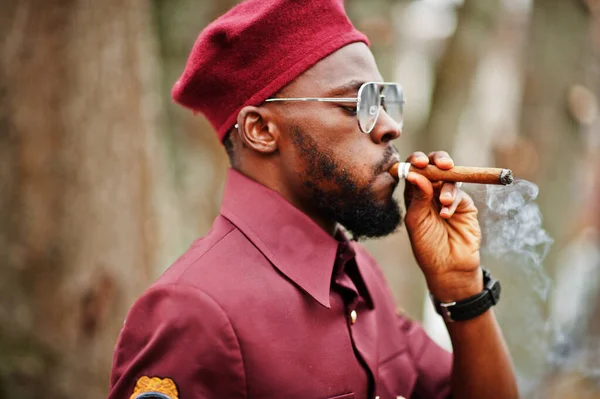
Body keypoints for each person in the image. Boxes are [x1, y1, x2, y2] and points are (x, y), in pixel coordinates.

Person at [108, 1, 518, 398]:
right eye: (359, 103)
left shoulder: (359, 274)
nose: (390, 127)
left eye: (385, 100)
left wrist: (462, 288)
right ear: (262, 131)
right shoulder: (193, 311)